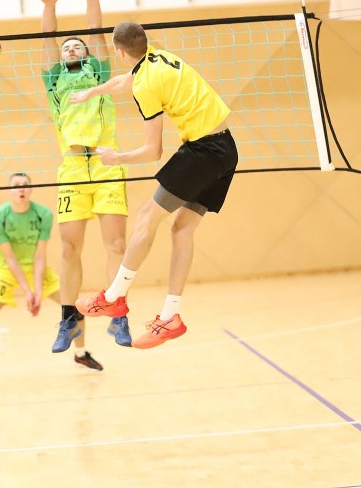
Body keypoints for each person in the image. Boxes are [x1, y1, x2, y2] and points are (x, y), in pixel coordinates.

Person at [71, 22, 239, 349]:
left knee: (147, 217)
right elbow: (125, 80)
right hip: (226, 149)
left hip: (203, 151)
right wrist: (92, 92)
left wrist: (117, 158)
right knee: (181, 230)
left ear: (120, 52)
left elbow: (153, 151)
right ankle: (170, 317)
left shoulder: (145, 86)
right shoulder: (158, 57)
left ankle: (113, 297)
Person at [32, 0, 131, 354]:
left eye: (78, 46)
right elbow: (47, 38)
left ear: (89, 56)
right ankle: (69, 319)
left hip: (106, 164)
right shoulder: (54, 80)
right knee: (68, 249)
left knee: (117, 244)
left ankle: (118, 313)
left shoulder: (100, 75)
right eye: (66, 47)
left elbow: (96, 30)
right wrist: (49, 6)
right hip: (73, 169)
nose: (71, 47)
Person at [0, 172, 103, 388]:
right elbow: (9, 258)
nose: (21, 188)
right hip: (6, 271)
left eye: (25, 184)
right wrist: (28, 291)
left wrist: (38, 290)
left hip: (37, 269)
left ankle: (80, 353)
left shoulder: (43, 214)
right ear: (9, 191)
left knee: (74, 308)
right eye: (16, 185)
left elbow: (40, 256)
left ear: (31, 189)